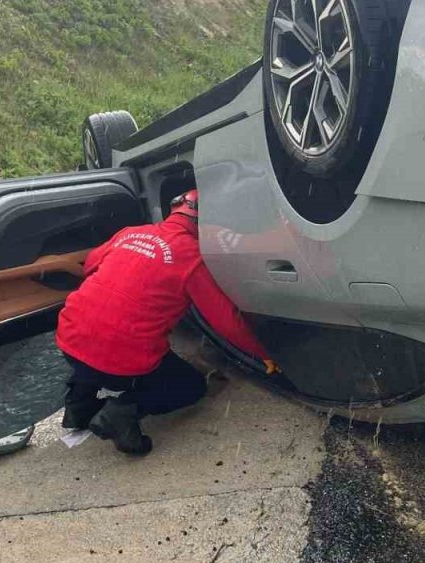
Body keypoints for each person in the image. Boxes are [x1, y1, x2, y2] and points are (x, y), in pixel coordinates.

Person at [55, 189, 274, 455]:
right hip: (120, 366)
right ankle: (122, 412)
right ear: (204, 224)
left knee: (96, 335)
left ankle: (78, 408)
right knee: (189, 386)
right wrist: (261, 353)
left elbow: (90, 265)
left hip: (68, 344)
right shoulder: (191, 257)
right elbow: (226, 321)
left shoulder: (129, 233)